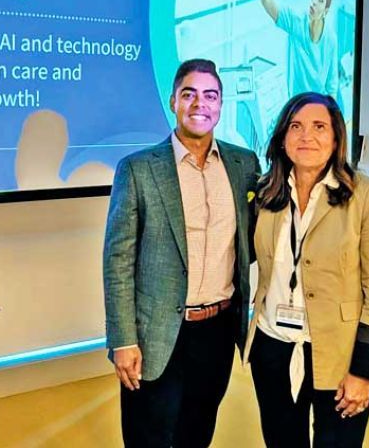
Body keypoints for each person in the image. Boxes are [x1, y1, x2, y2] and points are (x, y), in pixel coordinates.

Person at [103, 58, 261, 447]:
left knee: (198, 429)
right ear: (173, 101)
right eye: (189, 94)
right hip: (157, 332)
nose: (199, 104)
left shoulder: (244, 165)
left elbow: (257, 239)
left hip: (219, 328)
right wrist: (123, 340)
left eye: (210, 96)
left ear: (221, 105)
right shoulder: (138, 169)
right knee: (149, 435)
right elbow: (117, 261)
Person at [245, 92, 369, 447]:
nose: (306, 136)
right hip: (273, 347)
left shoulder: (368, 195)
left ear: (336, 138)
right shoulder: (266, 194)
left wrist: (364, 371)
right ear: (283, 138)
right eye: (295, 126)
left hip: (340, 353)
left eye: (319, 127)